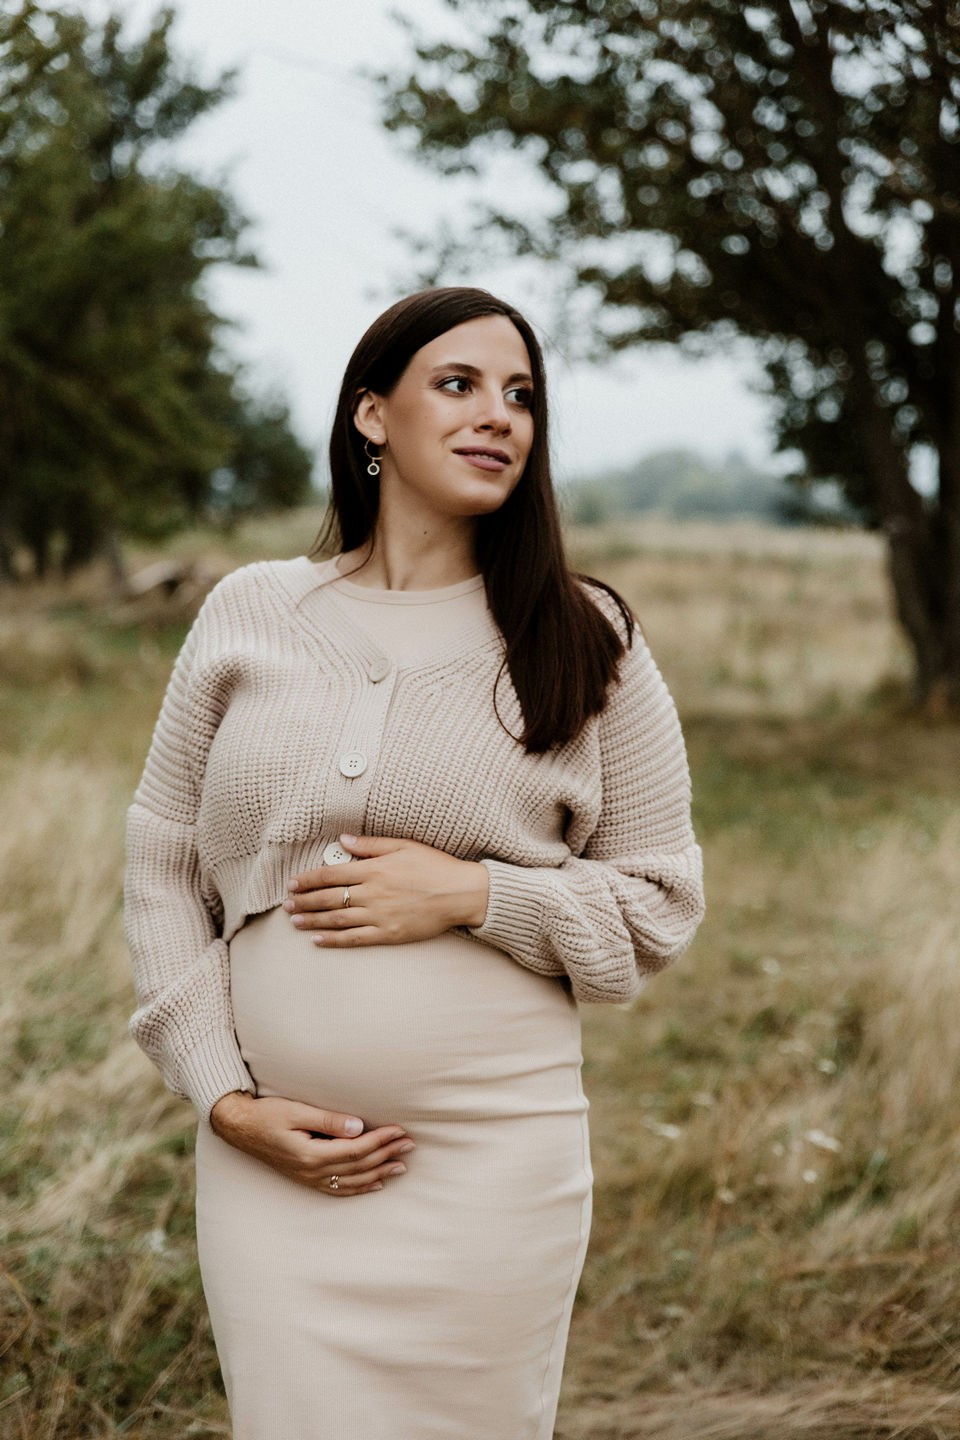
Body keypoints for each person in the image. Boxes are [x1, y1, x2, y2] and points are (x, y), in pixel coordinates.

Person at [124, 285, 705, 1439]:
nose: (500, 415)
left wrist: (475, 893)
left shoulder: (586, 639)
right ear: (371, 417)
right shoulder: (251, 611)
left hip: (492, 1171)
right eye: (460, 384)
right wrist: (224, 1097)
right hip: (272, 1167)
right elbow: (161, 863)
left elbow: (660, 899)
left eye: (522, 395)